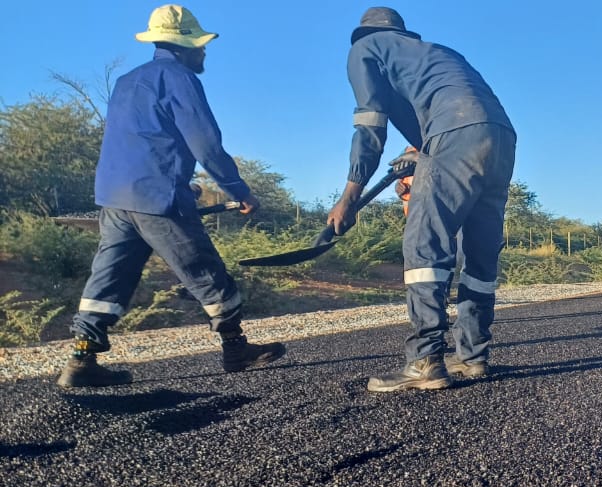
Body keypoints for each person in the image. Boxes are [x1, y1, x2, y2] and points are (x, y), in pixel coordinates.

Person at [57, 5, 285, 389]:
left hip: (115, 198)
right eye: (201, 46)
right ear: (185, 47)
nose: (204, 53)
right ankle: (236, 347)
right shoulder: (178, 77)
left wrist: (186, 184)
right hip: (157, 198)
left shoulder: (128, 81)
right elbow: (206, 145)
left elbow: (140, 142)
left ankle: (81, 358)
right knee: (205, 271)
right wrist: (239, 191)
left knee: (109, 278)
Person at [327, 7, 516, 392]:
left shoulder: (365, 49)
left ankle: (426, 360)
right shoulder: (437, 54)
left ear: (362, 35)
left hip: (455, 133)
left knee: (424, 247)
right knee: (479, 253)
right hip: (500, 137)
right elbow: (439, 115)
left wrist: (350, 193)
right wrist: (422, 153)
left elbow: (370, 122)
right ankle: (471, 355)